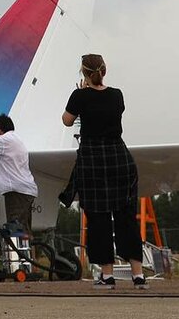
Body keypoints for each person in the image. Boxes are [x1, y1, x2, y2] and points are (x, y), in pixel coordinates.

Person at [62, 53, 145, 289]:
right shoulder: (117, 95)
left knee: (99, 218)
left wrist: (82, 93)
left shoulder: (79, 96)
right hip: (120, 158)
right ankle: (138, 274)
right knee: (126, 217)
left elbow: (67, 121)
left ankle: (107, 276)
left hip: (93, 160)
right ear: (104, 70)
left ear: (84, 73)